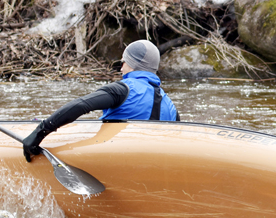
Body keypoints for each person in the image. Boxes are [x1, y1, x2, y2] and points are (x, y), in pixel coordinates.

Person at [22, 39, 179, 162]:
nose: (121, 68)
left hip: (115, 159)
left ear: (132, 64)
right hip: (151, 164)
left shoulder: (123, 90)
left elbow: (81, 105)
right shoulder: (170, 106)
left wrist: (41, 131)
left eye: (123, 62)